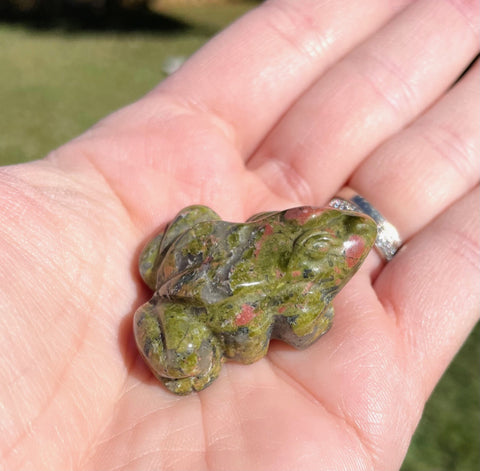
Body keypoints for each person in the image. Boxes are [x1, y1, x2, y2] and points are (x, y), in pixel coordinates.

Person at [0, 0, 478, 469]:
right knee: (189, 347)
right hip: (188, 311)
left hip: (191, 259)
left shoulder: (276, 245)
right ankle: (187, 361)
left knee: (200, 216)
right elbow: (308, 332)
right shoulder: (304, 297)